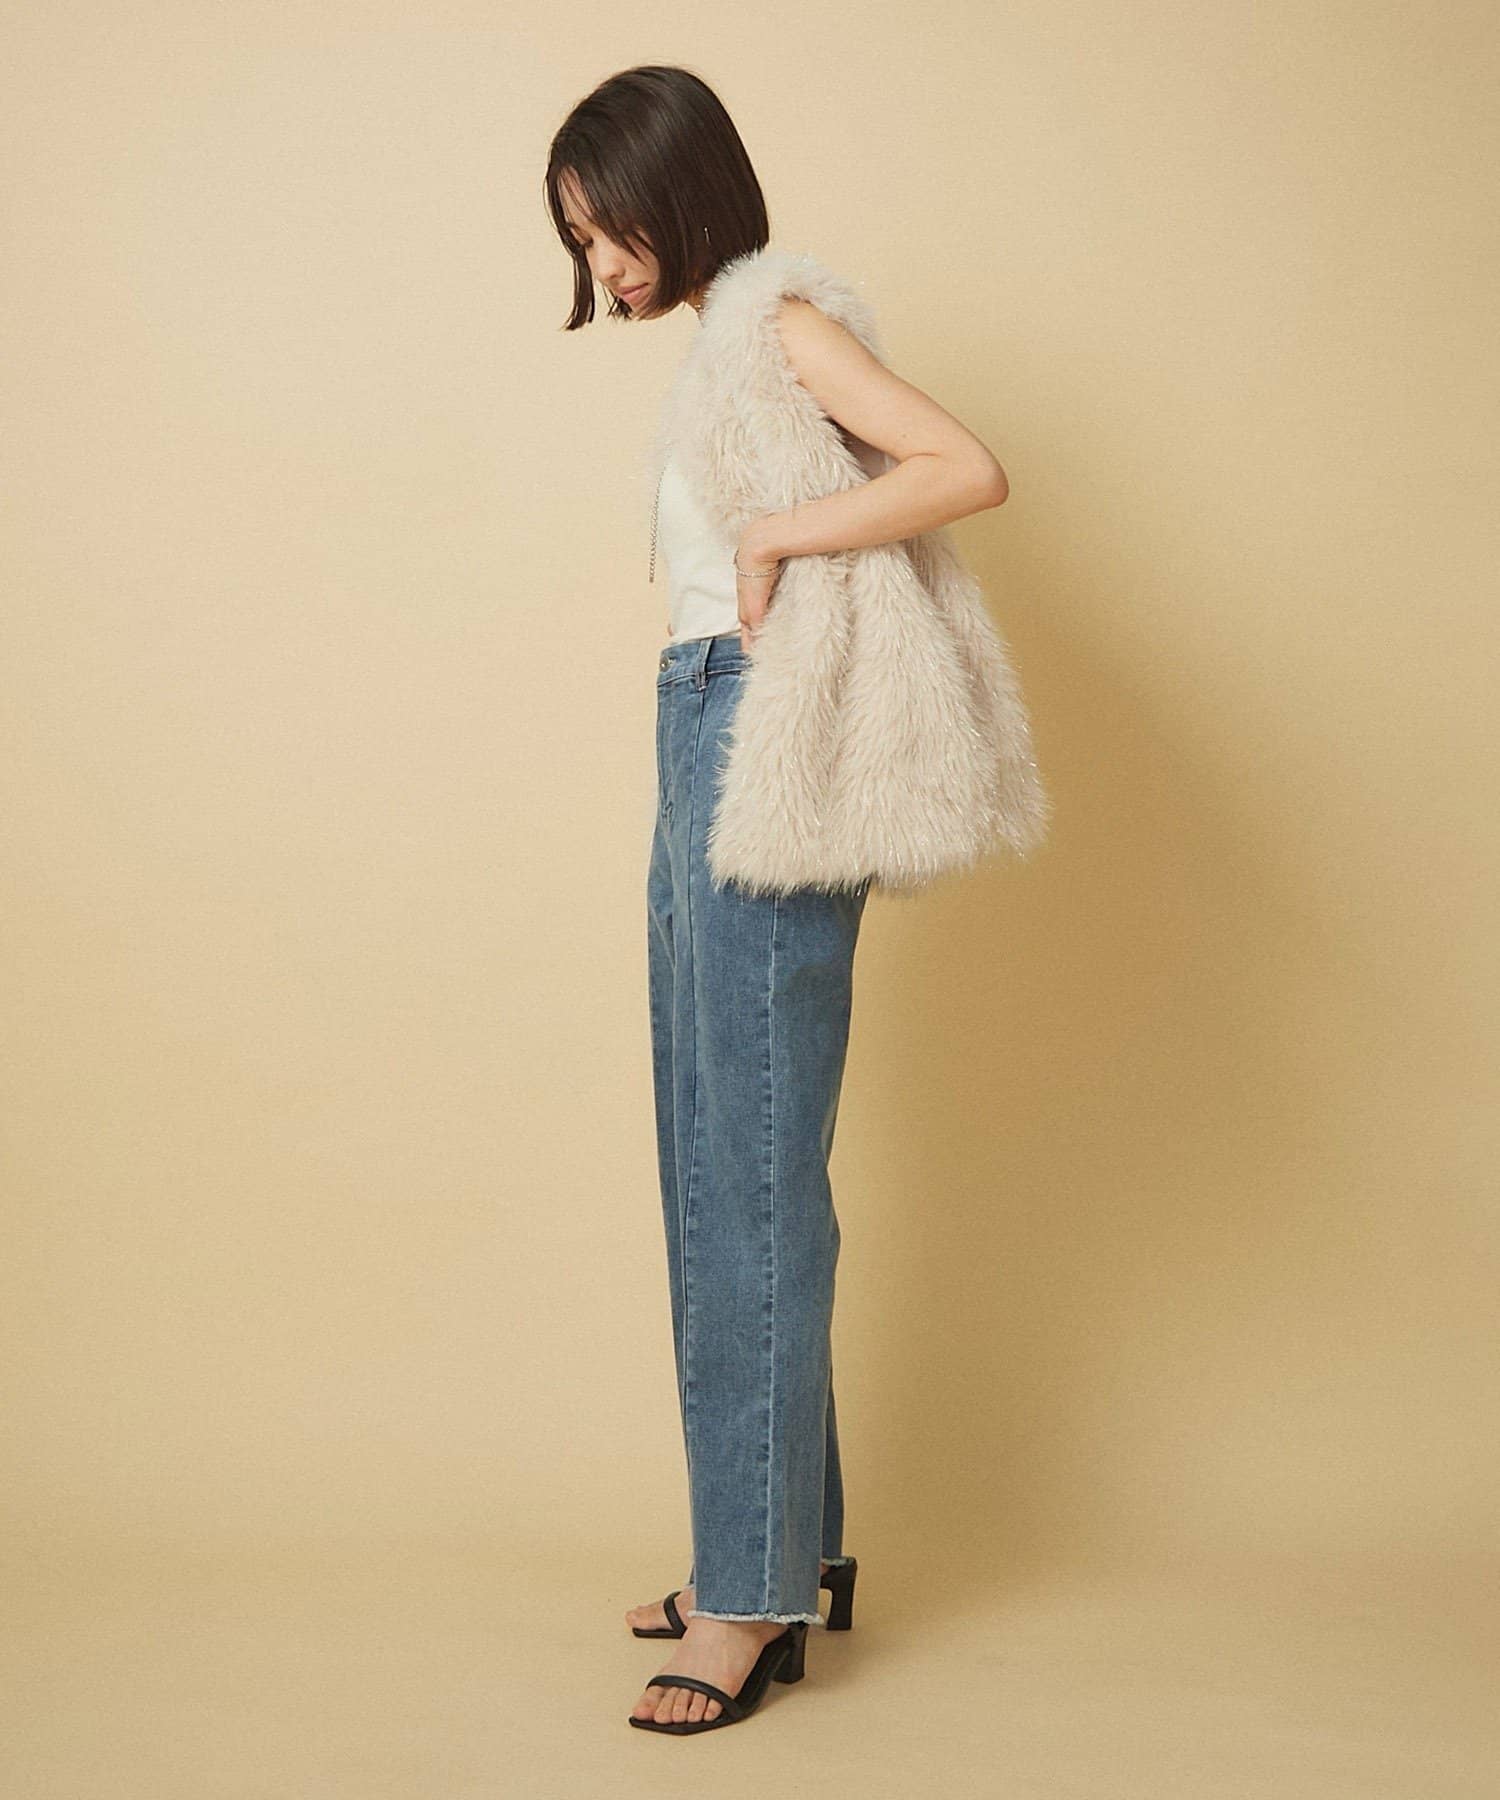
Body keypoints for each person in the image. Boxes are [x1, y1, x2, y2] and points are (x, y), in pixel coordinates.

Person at [545, 65, 1014, 1735]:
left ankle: (748, 1597)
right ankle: (775, 1544)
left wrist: (777, 542)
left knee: (749, 1174)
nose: (602, 264)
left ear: (684, 192)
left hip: (763, 751)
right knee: (714, 1158)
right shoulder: (721, 346)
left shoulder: (778, 319)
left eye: (612, 228)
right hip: (698, 731)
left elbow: (965, 466)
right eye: (580, 240)